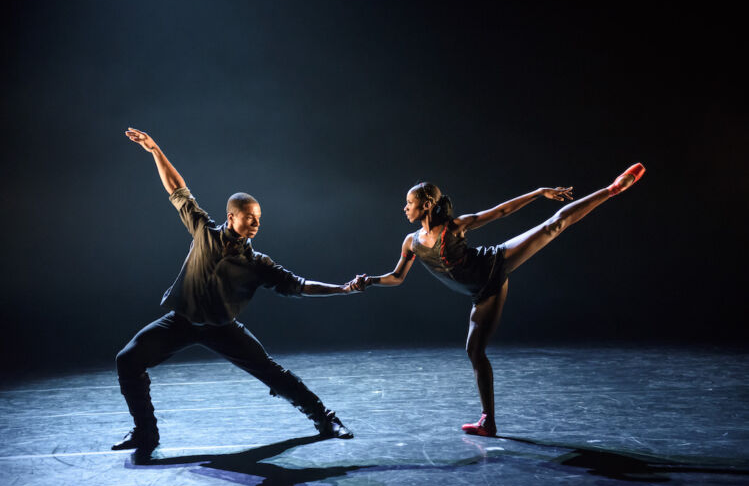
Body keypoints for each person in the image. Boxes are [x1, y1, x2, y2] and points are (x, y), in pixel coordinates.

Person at [351, 164, 645, 437]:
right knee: (474, 352)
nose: (405, 208)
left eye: (409, 203)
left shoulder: (454, 227)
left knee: (552, 226)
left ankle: (612, 189)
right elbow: (398, 276)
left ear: (426, 205)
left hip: (495, 263)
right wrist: (371, 281)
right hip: (482, 293)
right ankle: (488, 422)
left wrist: (539, 192)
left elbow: (500, 212)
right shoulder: (411, 241)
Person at [113, 128, 358, 454]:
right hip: (182, 322)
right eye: (249, 217)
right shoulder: (203, 230)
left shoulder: (258, 263)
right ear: (232, 216)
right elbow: (177, 189)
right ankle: (146, 434)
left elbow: (298, 285)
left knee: (272, 373)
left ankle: (325, 419)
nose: (256, 223)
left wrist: (341, 289)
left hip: (222, 328)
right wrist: (155, 149)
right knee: (127, 361)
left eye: (258, 219)